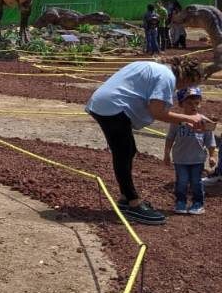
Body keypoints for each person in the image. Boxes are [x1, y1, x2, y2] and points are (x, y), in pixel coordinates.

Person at [86, 56, 211, 224]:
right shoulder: (167, 78)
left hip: (105, 103)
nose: (184, 88)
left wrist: (184, 120)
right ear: (187, 78)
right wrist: (189, 119)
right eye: (189, 84)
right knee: (123, 153)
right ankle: (133, 203)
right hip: (113, 108)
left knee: (129, 150)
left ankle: (125, 198)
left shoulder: (157, 68)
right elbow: (157, 112)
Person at [164, 87, 216, 215]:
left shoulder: (204, 121)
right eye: (189, 103)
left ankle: (198, 203)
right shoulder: (177, 120)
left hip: (197, 158)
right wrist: (166, 154)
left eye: (196, 103)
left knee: (196, 182)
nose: (194, 106)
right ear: (181, 104)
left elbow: (210, 140)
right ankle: (180, 202)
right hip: (180, 158)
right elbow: (170, 137)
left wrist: (212, 156)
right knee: (181, 181)